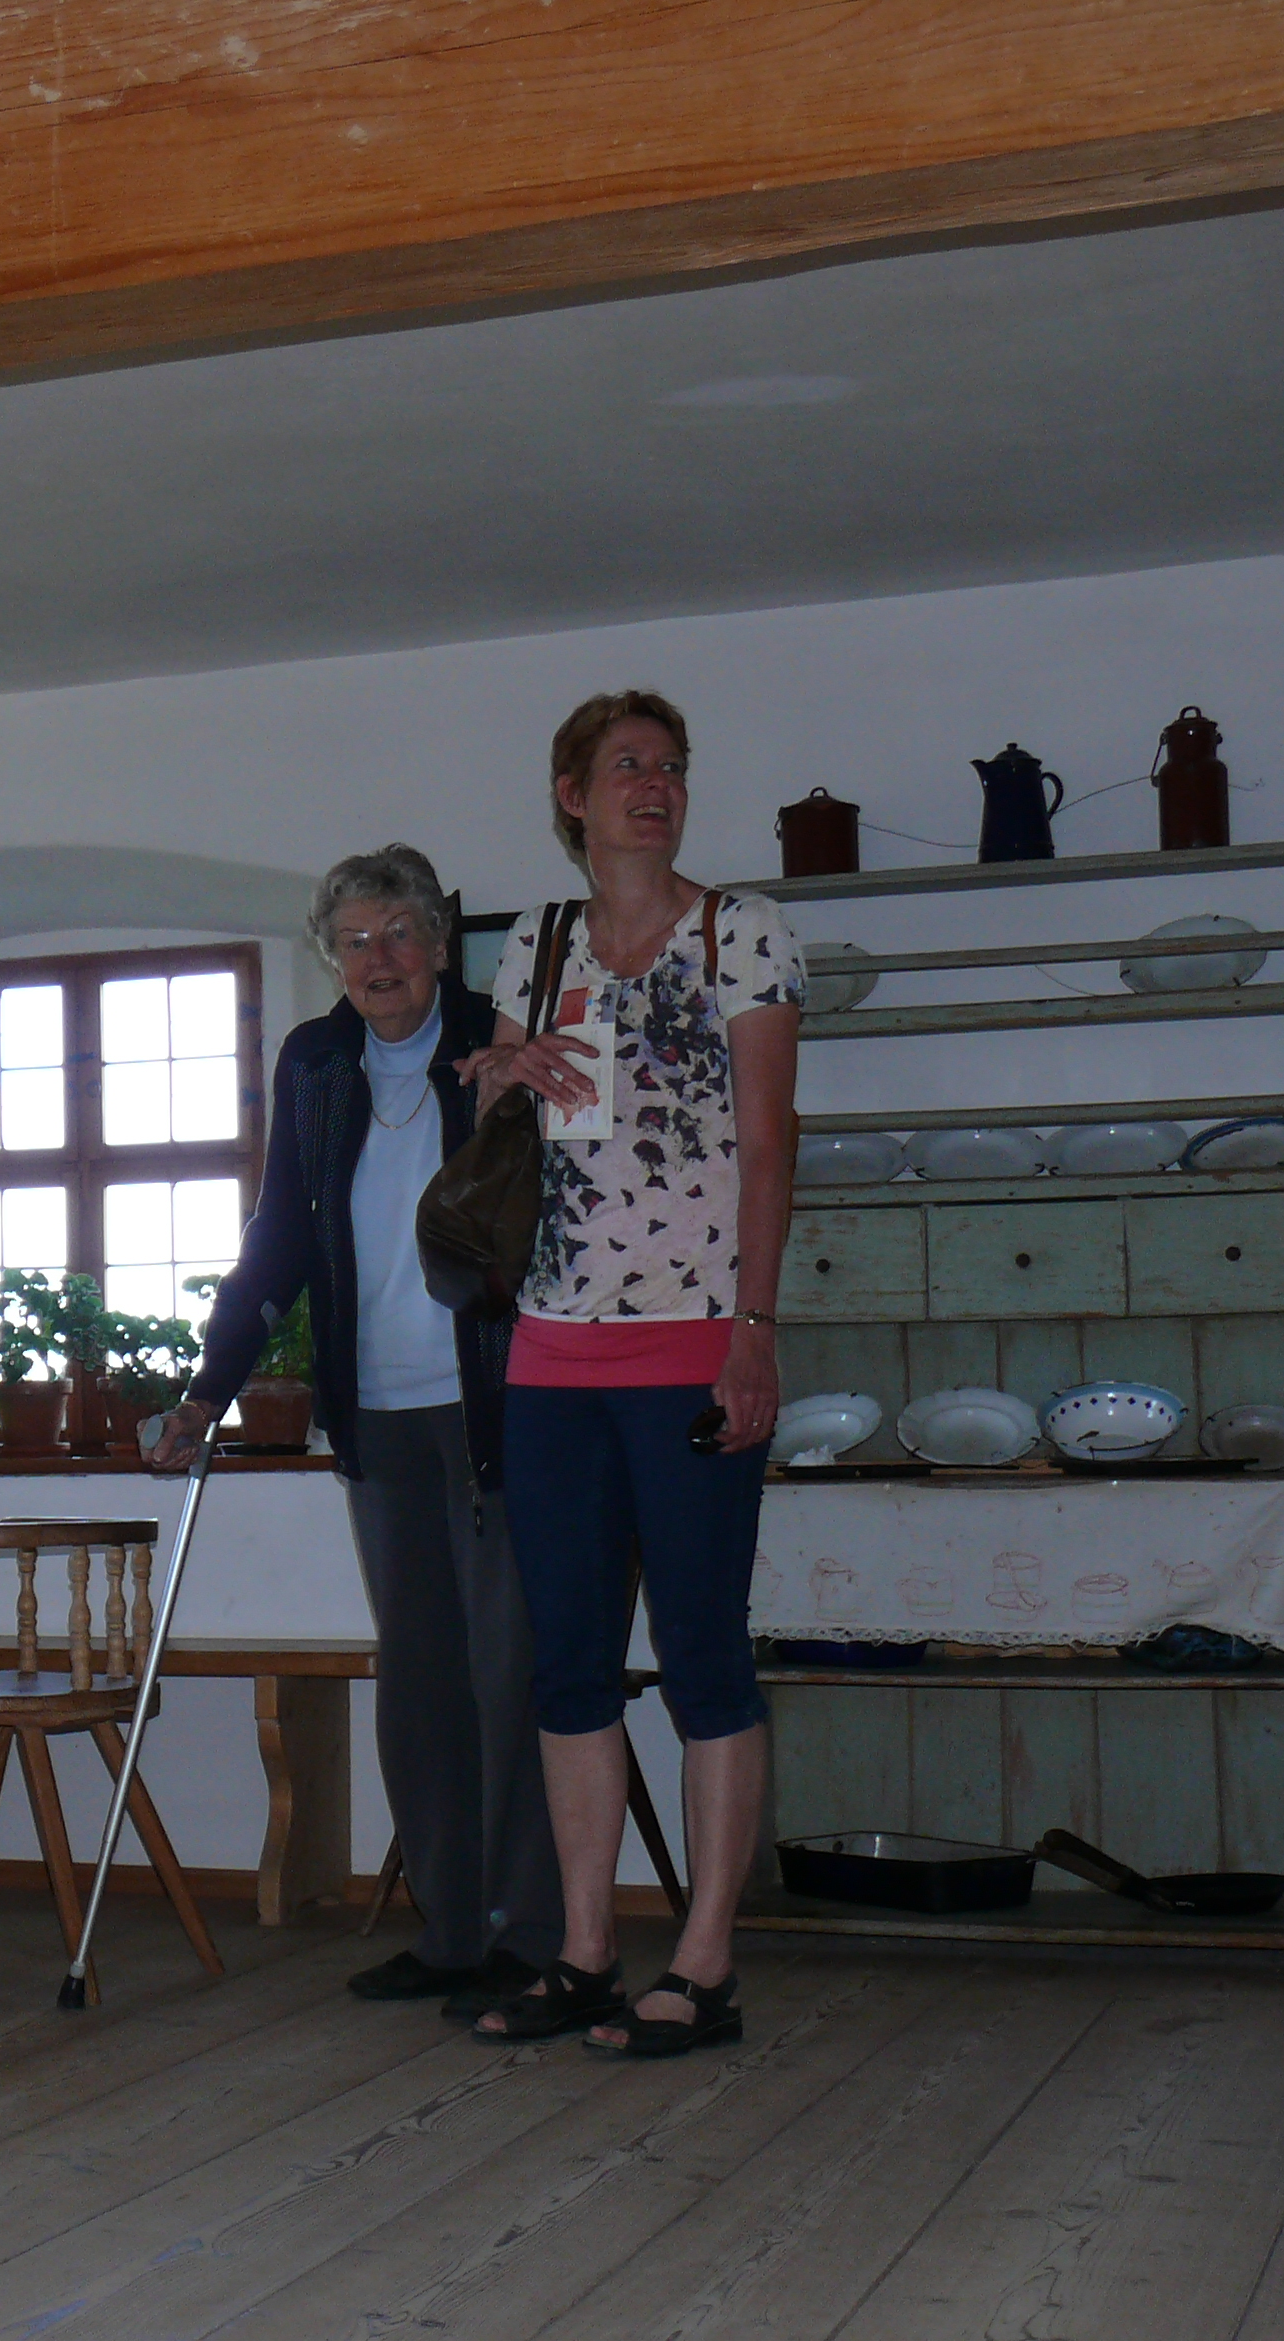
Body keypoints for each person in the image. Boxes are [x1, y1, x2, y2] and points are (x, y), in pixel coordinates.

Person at [152, 845, 560, 2009]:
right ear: (333, 959)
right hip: (375, 1419)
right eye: (355, 942)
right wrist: (208, 1390)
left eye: (398, 934)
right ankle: (451, 1934)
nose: (378, 959)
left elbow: (562, 1211)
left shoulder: (497, 1038)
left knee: (511, 1675)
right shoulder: (316, 1062)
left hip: (498, 1407)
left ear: (438, 943)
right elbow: (279, 1235)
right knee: (420, 1680)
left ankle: (532, 1937)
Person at [460, 690, 801, 2059]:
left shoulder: (741, 933)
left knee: (706, 1654)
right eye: (627, 767)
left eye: (671, 767)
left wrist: (755, 1328)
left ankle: (706, 1966)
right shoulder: (537, 941)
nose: (654, 786)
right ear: (573, 796)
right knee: (570, 1667)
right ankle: (588, 1954)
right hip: (550, 1352)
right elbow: (498, 1122)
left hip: (695, 1345)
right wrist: (502, 1069)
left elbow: (770, 1142)